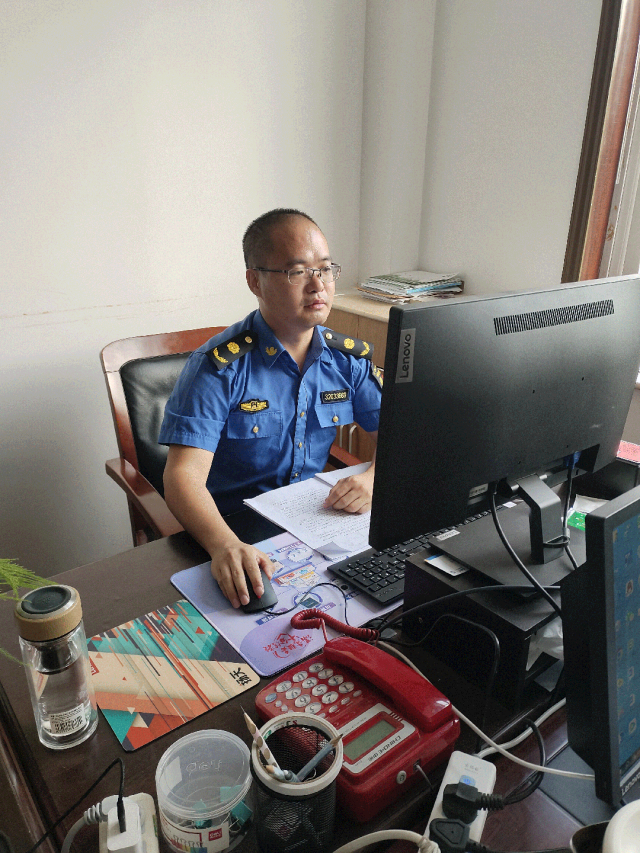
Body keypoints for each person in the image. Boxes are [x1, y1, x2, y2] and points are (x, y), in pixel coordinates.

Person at [159, 209, 382, 608]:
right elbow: (182, 476)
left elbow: (400, 434)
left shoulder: (347, 360)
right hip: (232, 528)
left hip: (315, 521)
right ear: (255, 281)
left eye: (325, 269)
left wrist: (372, 478)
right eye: (298, 272)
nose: (318, 285)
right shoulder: (218, 367)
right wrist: (224, 544)